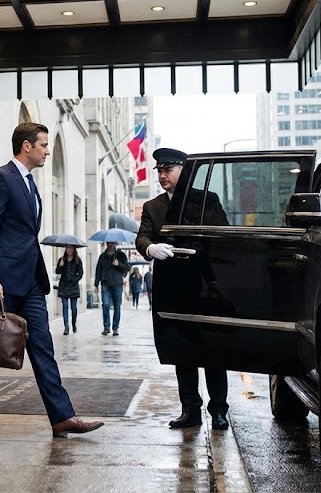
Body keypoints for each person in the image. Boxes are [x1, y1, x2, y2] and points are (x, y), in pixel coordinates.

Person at [0, 122, 103, 439]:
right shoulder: (0, 179)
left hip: (31, 281)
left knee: (43, 346)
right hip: (2, 282)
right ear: (27, 146)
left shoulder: (31, 185)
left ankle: (62, 416)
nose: (48, 150)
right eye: (44, 145)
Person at [135, 147, 231, 431]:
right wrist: (151, 248)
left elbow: (223, 233)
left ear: (183, 171)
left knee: (213, 350)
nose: (162, 175)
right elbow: (143, 237)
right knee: (182, 349)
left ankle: (219, 410)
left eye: (168, 170)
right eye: (160, 171)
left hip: (205, 284)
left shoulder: (206, 200)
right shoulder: (153, 207)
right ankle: (190, 409)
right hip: (173, 287)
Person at [93, 241, 130, 336]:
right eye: (108, 243)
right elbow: (98, 270)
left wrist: (118, 264)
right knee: (105, 305)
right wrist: (96, 284)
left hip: (117, 284)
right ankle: (106, 327)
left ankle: (115, 328)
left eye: (112, 243)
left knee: (117, 306)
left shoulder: (121, 255)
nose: (110, 245)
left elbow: (126, 268)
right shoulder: (102, 256)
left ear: (115, 244)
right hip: (105, 284)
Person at [55, 245, 84, 335]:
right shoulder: (62, 259)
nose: (69, 250)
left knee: (74, 308)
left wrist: (74, 280)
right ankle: (66, 326)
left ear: (74, 249)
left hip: (73, 287)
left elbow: (80, 273)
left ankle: (74, 323)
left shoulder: (78, 260)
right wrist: (60, 266)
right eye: (67, 248)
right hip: (63, 286)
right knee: (65, 307)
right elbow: (57, 272)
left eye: (71, 248)